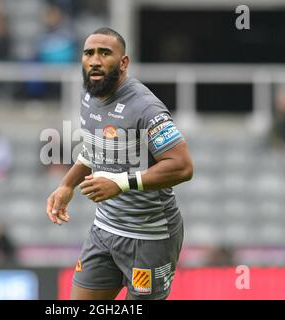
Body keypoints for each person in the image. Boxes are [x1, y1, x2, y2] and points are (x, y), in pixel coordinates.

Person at [46, 28, 193, 300]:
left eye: (105, 53)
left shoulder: (146, 107)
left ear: (123, 62)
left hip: (149, 236)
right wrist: (67, 184)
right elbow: (93, 150)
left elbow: (182, 166)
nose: (95, 60)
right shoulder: (89, 96)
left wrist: (120, 184)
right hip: (104, 229)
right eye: (89, 53)